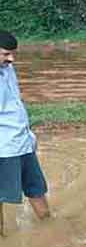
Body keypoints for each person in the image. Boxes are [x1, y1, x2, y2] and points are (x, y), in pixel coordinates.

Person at [0, 30, 51, 235]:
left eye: (13, 53)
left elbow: (15, 103)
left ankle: (51, 229)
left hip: (22, 141)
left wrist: (29, 136)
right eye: (5, 54)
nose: (11, 59)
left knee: (36, 188)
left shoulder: (7, 69)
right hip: (4, 149)